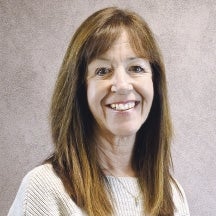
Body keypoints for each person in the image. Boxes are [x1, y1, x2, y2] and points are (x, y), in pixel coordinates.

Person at [8, 7, 190, 216]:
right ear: (79, 89)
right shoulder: (45, 190)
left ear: (154, 83)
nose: (122, 85)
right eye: (103, 71)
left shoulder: (172, 194)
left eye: (136, 68)